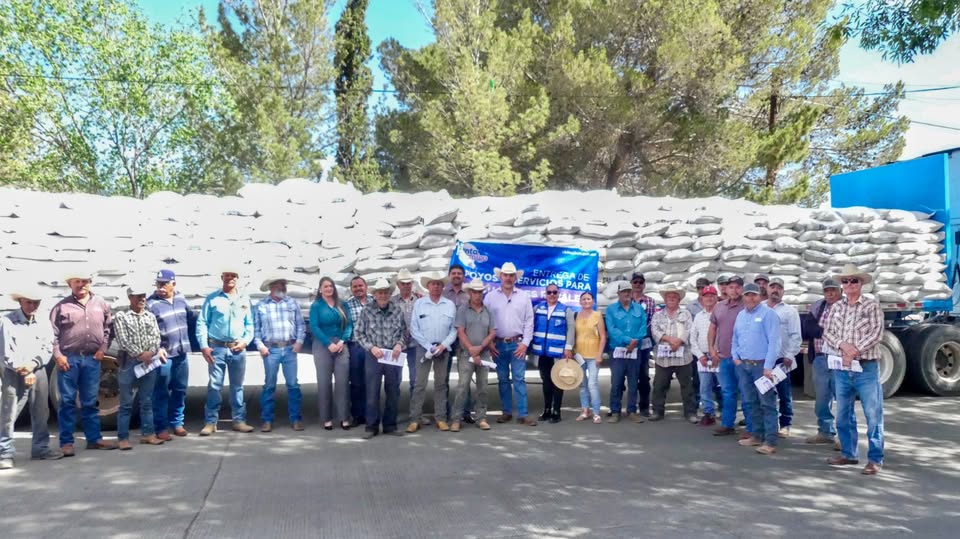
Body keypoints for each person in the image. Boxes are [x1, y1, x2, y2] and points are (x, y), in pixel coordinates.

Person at [823, 265, 885, 475]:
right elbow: (827, 332)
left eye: (854, 280)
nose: (849, 284)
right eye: (845, 281)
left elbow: (876, 333)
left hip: (866, 368)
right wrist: (843, 346)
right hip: (842, 369)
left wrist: (854, 350)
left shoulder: (871, 305)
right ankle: (849, 454)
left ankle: (875, 459)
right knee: (843, 414)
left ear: (861, 283)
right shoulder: (836, 307)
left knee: (873, 415)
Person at [50, 271, 117, 454]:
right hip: (69, 360)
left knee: (90, 402)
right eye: (77, 281)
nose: (81, 284)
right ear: (70, 284)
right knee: (67, 402)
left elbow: (108, 329)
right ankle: (66, 443)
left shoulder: (101, 304)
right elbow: (52, 335)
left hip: (92, 360)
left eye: (85, 281)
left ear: (90, 283)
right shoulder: (61, 307)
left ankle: (94, 439)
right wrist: (58, 355)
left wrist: (103, 349)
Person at [0, 287, 62, 468]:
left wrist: (33, 365)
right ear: (20, 302)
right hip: (14, 372)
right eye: (29, 302)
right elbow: (5, 352)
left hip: (37, 369)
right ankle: (5, 453)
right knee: (9, 412)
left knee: (41, 410)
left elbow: (47, 346)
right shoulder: (7, 322)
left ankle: (40, 449)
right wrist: (24, 370)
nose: (33, 306)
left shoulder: (43, 321)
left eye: (36, 303)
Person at [196, 270, 255, 436]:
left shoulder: (244, 299)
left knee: (237, 387)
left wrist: (245, 341)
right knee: (215, 385)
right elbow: (202, 322)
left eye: (233, 276)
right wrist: (204, 346)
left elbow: (249, 324)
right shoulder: (212, 298)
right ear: (222, 277)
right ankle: (210, 422)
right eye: (227, 275)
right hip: (217, 348)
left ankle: (239, 421)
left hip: (237, 349)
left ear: (237, 278)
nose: (230, 278)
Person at [731, 283, 782, 455]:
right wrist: (735, 356)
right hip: (744, 365)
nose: (750, 298)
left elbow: (774, 342)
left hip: (761, 366)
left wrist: (768, 366)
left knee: (767, 403)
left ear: (760, 296)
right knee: (749, 401)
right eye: (747, 295)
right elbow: (735, 338)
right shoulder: (740, 315)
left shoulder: (769, 314)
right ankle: (757, 435)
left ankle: (770, 441)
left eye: (754, 295)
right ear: (743, 297)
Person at [484, 262, 537, 426]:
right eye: (505, 275)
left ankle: (523, 414)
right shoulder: (490, 297)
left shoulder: (524, 296)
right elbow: (484, 321)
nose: (508, 278)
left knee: (519, 379)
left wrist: (525, 343)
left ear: (515, 278)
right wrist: (489, 342)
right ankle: (506, 412)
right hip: (497, 344)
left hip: (517, 344)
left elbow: (529, 321)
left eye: (511, 275)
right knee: (502, 379)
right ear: (500, 276)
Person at [112, 285, 164, 450]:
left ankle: (148, 434)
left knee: (146, 401)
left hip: (148, 363)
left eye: (143, 295)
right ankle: (123, 438)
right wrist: (140, 354)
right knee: (126, 403)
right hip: (129, 363)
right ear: (130, 298)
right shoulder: (121, 316)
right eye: (138, 296)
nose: (142, 299)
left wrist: (150, 353)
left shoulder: (150, 316)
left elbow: (157, 337)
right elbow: (123, 340)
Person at [355, 278, 407, 439]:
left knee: (393, 391)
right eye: (380, 293)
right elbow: (358, 333)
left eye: (386, 292)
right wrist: (371, 347)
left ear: (390, 294)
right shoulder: (366, 311)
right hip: (374, 356)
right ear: (375, 295)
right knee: (372, 392)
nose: (383, 295)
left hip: (393, 355)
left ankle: (390, 425)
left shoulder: (397, 310)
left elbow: (404, 332)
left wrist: (399, 344)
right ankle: (371, 426)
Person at [406, 272, 458, 433]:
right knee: (419, 384)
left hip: (443, 349)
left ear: (443, 286)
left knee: (441, 385)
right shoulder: (419, 304)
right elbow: (414, 328)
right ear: (428, 286)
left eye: (438, 284)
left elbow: (454, 329)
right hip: (424, 348)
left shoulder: (449, 304)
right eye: (433, 283)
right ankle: (415, 419)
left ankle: (441, 418)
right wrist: (428, 346)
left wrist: (443, 345)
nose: (436, 286)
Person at [253, 277, 306, 433]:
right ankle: (267, 420)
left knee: (293, 384)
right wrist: (260, 346)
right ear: (271, 287)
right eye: (279, 285)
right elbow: (256, 329)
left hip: (289, 349)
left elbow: (301, 325)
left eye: (284, 285)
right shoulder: (261, 305)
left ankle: (296, 419)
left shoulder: (292, 303)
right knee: (269, 385)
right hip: (271, 350)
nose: (283, 287)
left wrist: (299, 342)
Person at [147, 269, 192, 439]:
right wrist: (157, 347)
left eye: (164, 284)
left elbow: (191, 317)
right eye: (158, 284)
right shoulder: (151, 304)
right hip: (164, 356)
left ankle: (177, 423)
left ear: (173, 284)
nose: (160, 287)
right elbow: (147, 331)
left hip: (181, 353)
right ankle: (161, 428)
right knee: (161, 392)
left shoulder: (181, 299)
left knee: (180, 390)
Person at [802, 278, 843, 448]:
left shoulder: (847, 307)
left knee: (843, 398)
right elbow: (807, 328)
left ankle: (845, 437)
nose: (830, 293)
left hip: (840, 359)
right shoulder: (818, 306)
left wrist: (823, 332)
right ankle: (825, 432)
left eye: (833, 290)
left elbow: (846, 331)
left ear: (840, 291)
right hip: (820, 358)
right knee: (822, 398)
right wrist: (826, 333)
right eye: (827, 291)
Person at [451, 280, 496, 432]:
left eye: (480, 292)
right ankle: (456, 419)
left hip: (484, 353)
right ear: (470, 293)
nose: (477, 295)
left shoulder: (488, 311)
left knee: (483, 387)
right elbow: (460, 331)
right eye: (475, 292)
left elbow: (492, 332)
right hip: (466, 353)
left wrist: (481, 347)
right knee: (462, 387)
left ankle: (481, 417)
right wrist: (471, 348)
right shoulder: (463, 309)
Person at [310, 276, 353, 431]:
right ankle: (326, 418)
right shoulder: (316, 306)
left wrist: (342, 341)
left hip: (341, 345)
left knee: (343, 383)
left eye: (331, 286)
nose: (329, 289)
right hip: (323, 345)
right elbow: (314, 327)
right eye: (325, 286)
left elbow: (349, 324)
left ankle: (344, 417)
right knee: (324, 383)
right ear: (320, 289)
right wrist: (328, 344)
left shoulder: (342, 304)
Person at [649, 286, 696, 423]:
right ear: (664, 299)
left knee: (687, 386)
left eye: (674, 297)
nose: (671, 299)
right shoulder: (658, 315)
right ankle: (657, 411)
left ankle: (690, 413)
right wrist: (670, 340)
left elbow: (689, 330)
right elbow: (655, 331)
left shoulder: (686, 314)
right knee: (659, 385)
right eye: (668, 297)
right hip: (663, 358)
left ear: (679, 300)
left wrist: (679, 342)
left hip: (683, 357)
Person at [531, 283, 575, 423]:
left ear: (558, 294)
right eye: (549, 292)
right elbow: (530, 326)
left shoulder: (566, 310)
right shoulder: (537, 309)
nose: (552, 295)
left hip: (558, 353)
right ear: (545, 294)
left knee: (558, 382)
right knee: (546, 382)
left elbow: (571, 330)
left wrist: (568, 347)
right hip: (542, 353)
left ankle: (556, 412)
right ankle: (547, 410)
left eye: (554, 292)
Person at [605, 282, 649, 424]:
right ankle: (615, 411)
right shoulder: (611, 309)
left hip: (635, 351)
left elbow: (643, 327)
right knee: (616, 382)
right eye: (623, 291)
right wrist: (628, 341)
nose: (626, 294)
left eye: (628, 291)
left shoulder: (639, 308)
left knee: (633, 382)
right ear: (618, 293)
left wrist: (635, 341)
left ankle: (632, 411)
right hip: (617, 351)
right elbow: (611, 329)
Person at [708, 276, 746, 437]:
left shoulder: (747, 305)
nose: (734, 290)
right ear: (726, 289)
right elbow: (712, 328)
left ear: (742, 289)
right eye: (731, 287)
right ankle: (727, 424)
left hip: (743, 359)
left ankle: (751, 427)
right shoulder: (719, 306)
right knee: (727, 392)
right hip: (723, 357)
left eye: (738, 287)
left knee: (746, 393)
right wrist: (711, 349)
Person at [766, 277, 801, 438]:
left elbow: (796, 335)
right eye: (772, 287)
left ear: (783, 291)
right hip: (763, 359)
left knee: (784, 393)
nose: (775, 290)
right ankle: (767, 424)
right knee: (764, 393)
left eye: (778, 288)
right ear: (767, 289)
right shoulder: (760, 308)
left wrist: (790, 354)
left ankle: (785, 424)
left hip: (781, 360)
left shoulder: (789, 311)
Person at [442, 264, 472, 425]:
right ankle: (446, 411)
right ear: (449, 275)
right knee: (443, 377)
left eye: (459, 273)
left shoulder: (469, 294)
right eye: (453, 273)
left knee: (465, 377)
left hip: (463, 340)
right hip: (445, 339)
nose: (456, 275)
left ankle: (466, 412)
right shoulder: (442, 293)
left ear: (463, 276)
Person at [574, 292, 607, 424]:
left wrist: (600, 354)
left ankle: (596, 412)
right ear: (580, 302)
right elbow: (574, 335)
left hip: (594, 356)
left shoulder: (597, 315)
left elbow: (603, 336)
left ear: (593, 301)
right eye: (583, 299)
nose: (586, 301)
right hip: (579, 355)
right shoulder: (576, 315)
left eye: (588, 299)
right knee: (582, 384)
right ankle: (585, 410)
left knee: (592, 384)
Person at [345, 276, 373, 427]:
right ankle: (357, 415)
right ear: (351, 289)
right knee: (356, 382)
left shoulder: (374, 301)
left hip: (372, 347)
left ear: (366, 286)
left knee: (371, 381)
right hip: (355, 347)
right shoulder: (347, 305)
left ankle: (371, 414)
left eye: (360, 286)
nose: (358, 289)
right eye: (355, 287)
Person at [689, 285, 720, 426]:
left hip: (719, 357)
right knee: (704, 387)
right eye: (706, 296)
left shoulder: (721, 314)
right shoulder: (698, 317)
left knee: (723, 386)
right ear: (702, 298)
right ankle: (709, 413)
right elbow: (692, 338)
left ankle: (726, 412)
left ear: (716, 298)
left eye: (712, 296)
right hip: (704, 358)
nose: (709, 298)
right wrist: (700, 355)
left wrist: (718, 353)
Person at [392, 268, 421, 403]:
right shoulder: (392, 301)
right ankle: (393, 410)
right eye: (403, 283)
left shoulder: (420, 300)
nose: (406, 286)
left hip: (416, 344)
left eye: (408, 283)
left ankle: (415, 411)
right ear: (398, 285)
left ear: (412, 284)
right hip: (397, 345)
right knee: (395, 379)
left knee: (415, 379)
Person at [630, 273, 656, 417]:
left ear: (644, 284)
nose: (638, 285)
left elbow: (651, 321)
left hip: (644, 342)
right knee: (625, 375)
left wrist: (638, 336)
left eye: (640, 282)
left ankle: (644, 406)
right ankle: (626, 406)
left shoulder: (650, 301)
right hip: (627, 343)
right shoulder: (625, 299)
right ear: (631, 284)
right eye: (635, 282)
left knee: (644, 375)